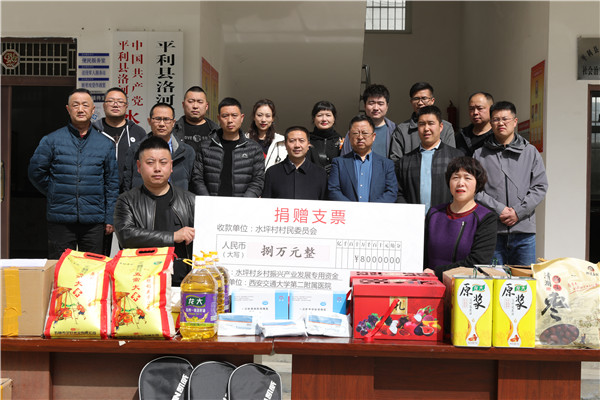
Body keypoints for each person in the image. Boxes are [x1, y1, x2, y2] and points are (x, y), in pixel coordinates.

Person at [28, 88, 119, 259]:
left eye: (85, 105)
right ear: (68, 109)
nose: (80, 109)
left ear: (93, 109)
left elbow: (112, 183)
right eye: (75, 105)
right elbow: (35, 172)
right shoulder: (51, 140)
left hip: (94, 220)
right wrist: (55, 190)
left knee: (92, 267)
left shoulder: (105, 144)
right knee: (61, 266)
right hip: (60, 219)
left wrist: (109, 217)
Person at [113, 136, 195, 286]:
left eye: (163, 162)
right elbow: (127, 236)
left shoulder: (190, 200)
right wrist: (173, 236)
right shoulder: (126, 200)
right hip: (142, 283)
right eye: (150, 162)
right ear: (139, 166)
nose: (157, 168)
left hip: (183, 284)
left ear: (171, 166)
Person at [474, 101, 548, 266]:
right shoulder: (479, 154)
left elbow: (540, 186)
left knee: (524, 279)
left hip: (524, 232)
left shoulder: (530, 152)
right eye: (496, 119)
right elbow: (475, 190)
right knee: (493, 278)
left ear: (515, 122)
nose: (501, 123)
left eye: (505, 119)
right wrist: (499, 209)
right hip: (492, 231)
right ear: (491, 123)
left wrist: (518, 212)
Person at [423, 157, 497, 281]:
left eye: (467, 178)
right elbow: (422, 253)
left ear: (478, 183)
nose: (460, 183)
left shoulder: (486, 218)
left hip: (464, 286)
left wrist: (437, 272)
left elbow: (478, 262)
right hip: (430, 283)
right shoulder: (434, 213)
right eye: (455, 177)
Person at [190, 97, 265, 197]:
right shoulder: (206, 147)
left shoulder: (254, 149)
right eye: (225, 116)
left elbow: (258, 180)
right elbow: (197, 178)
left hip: (242, 205)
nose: (230, 120)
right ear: (219, 118)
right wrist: (208, 201)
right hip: (211, 204)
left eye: (234, 116)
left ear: (241, 118)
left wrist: (244, 202)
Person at [396, 105, 463, 213]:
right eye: (422, 124)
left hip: (447, 218)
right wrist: (410, 214)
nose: (426, 128)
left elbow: (462, 190)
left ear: (441, 127)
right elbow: (399, 192)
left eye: (431, 123)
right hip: (414, 219)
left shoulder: (456, 157)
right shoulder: (405, 161)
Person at [122, 103, 196, 192]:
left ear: (173, 123)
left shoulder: (186, 152)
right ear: (149, 121)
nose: (161, 124)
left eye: (166, 119)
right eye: (157, 119)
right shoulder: (135, 150)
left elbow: (193, 186)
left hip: (177, 200)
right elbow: (127, 185)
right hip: (142, 199)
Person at [328, 115, 397, 203]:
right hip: (349, 211)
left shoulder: (387, 164)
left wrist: (371, 209)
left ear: (373, 136)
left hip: (376, 211)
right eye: (356, 133)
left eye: (365, 133)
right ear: (349, 136)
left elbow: (391, 192)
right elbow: (333, 190)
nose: (360, 137)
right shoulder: (338, 163)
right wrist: (353, 208)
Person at [92, 87, 147, 190]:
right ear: (104, 105)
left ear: (126, 106)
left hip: (130, 193)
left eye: (120, 102)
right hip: (98, 192)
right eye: (111, 101)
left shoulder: (138, 132)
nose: (115, 104)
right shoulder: (93, 131)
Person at [389, 82, 455, 162]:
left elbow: (452, 157)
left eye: (424, 98)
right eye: (416, 99)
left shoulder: (446, 127)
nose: (420, 103)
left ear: (432, 101)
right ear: (411, 102)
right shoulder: (402, 130)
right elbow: (395, 161)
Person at [262, 126, 327, 200]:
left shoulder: (320, 173)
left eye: (301, 141)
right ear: (285, 145)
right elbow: (266, 203)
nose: (297, 145)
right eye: (292, 141)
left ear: (308, 145)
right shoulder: (272, 172)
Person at [340, 84, 396, 158]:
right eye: (371, 103)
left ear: (387, 106)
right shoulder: (354, 130)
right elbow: (345, 159)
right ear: (364, 105)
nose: (376, 108)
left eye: (380, 104)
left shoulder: (394, 130)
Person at [172, 86, 219, 154]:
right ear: (183, 105)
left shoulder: (216, 131)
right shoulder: (174, 129)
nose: (195, 106)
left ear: (206, 106)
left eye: (200, 102)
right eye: (191, 101)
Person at [246, 99, 287, 169]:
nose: (263, 120)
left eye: (267, 116)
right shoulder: (243, 140)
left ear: (272, 118)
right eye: (259, 115)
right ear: (254, 117)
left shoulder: (282, 142)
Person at [306, 100, 342, 174]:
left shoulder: (341, 141)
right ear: (313, 118)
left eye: (328, 115)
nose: (324, 119)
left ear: (334, 118)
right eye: (320, 115)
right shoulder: (306, 140)